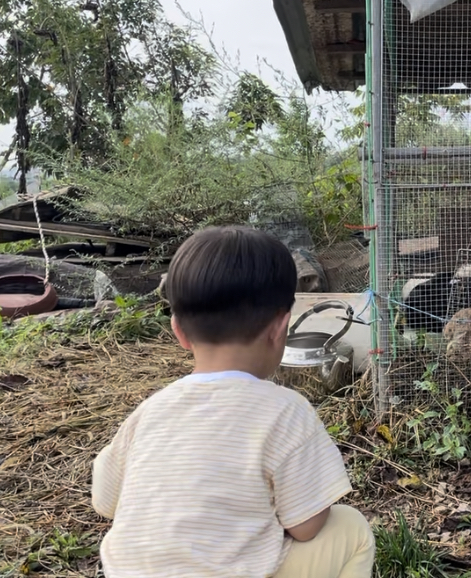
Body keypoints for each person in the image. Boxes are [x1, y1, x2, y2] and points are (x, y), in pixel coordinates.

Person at [91, 225, 375, 578]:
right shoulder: (286, 410)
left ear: (178, 331)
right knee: (350, 527)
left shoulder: (150, 411)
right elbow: (306, 527)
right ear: (280, 328)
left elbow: (105, 501)